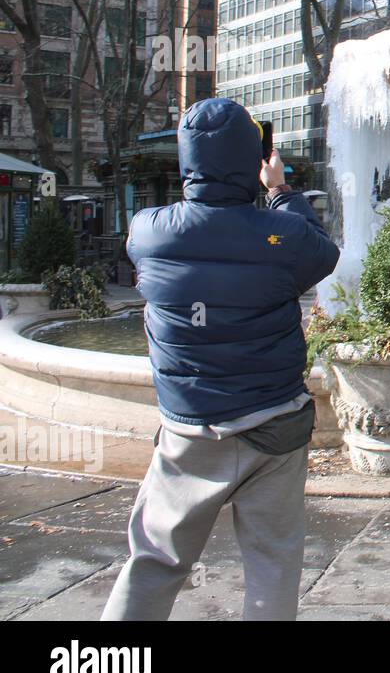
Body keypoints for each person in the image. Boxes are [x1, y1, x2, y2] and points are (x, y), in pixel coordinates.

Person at [102, 98, 340, 621]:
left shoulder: (148, 229)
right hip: (274, 424)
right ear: (253, 158)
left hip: (189, 430)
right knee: (273, 562)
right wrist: (278, 190)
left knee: (155, 559)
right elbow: (323, 252)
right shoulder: (282, 237)